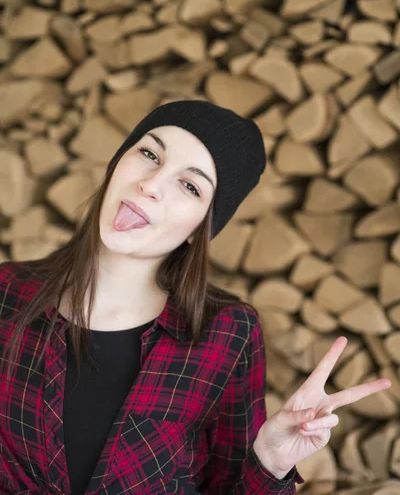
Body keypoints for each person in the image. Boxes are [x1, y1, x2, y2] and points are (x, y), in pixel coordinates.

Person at [0, 99, 391, 495]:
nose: (150, 186)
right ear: (117, 163)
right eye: (149, 154)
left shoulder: (227, 333)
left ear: (201, 226)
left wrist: (271, 463)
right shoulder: (5, 294)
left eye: (189, 185)